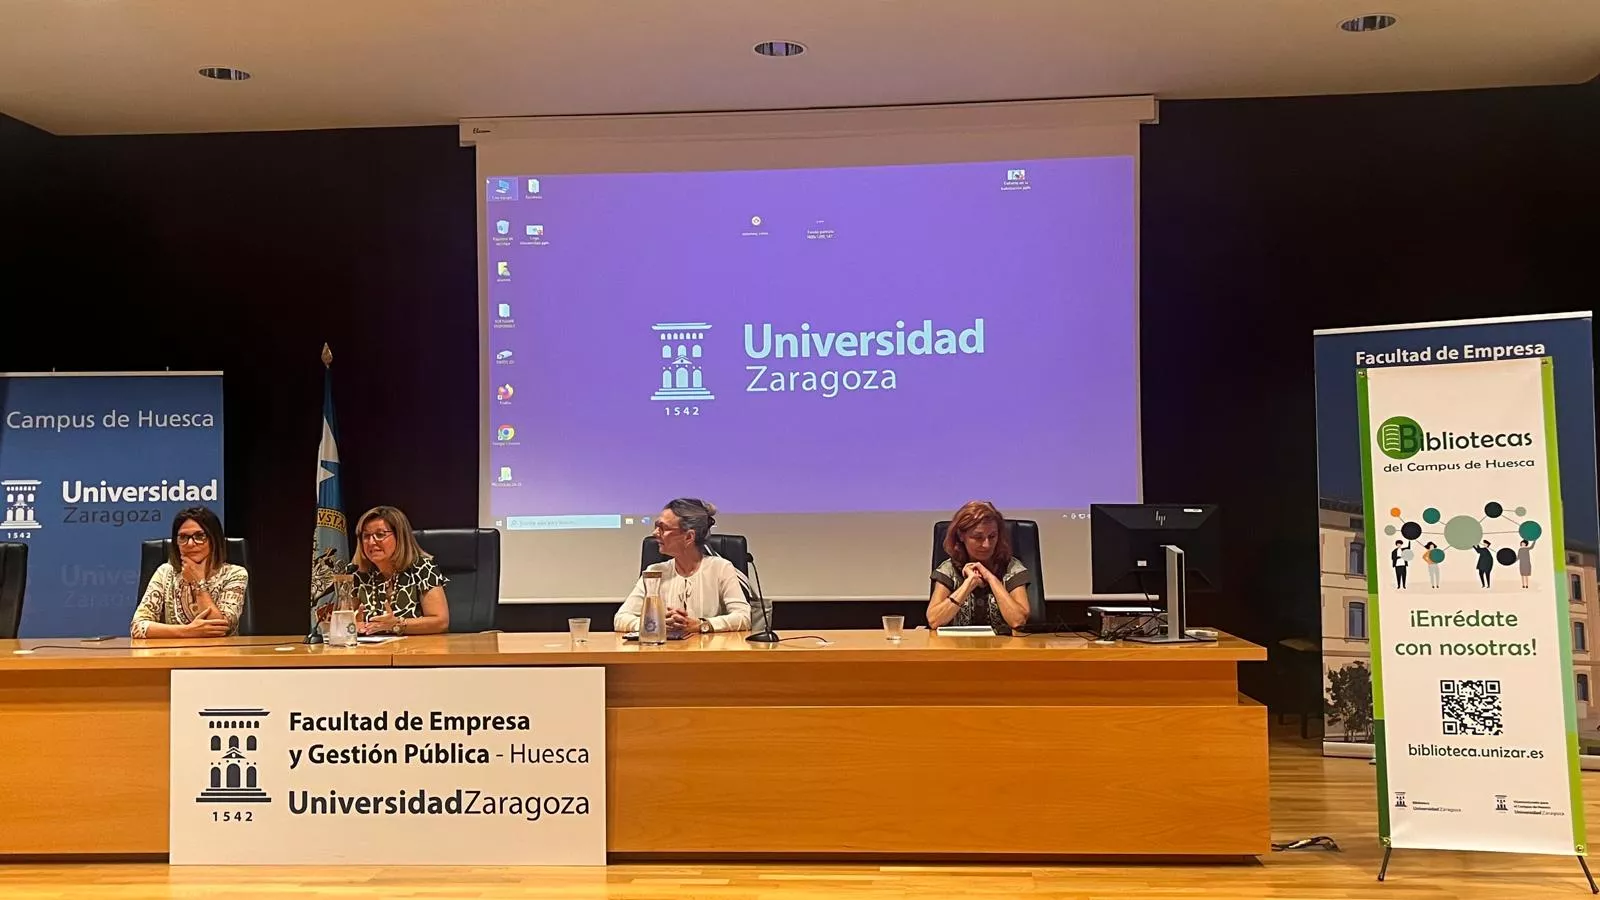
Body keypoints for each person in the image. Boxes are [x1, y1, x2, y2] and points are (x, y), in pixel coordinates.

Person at [614, 498, 750, 635]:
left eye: (663, 528)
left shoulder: (721, 568)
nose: (655, 533)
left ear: (689, 537)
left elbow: (743, 617)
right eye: (656, 526)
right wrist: (657, 623)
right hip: (663, 653)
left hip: (707, 652)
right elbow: (621, 619)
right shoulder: (654, 572)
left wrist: (702, 625)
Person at [130, 507, 248, 639]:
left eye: (199, 536)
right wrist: (188, 631)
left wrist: (198, 582)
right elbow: (138, 626)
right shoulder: (165, 573)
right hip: (174, 656)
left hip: (220, 655)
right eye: (183, 537)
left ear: (214, 539)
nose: (190, 543)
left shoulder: (234, 574)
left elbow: (219, 629)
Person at [927, 500, 1033, 633]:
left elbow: (1018, 621)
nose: (987, 545)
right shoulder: (948, 569)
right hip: (957, 650)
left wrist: (990, 578)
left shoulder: (1012, 568)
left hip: (1003, 650)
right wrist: (969, 584)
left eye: (992, 536)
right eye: (978, 537)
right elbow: (934, 620)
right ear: (961, 536)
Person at [349, 506, 450, 635]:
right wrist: (353, 625)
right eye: (366, 536)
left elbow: (440, 622)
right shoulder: (357, 573)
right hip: (371, 652)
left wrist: (397, 624)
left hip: (417, 650)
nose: (371, 542)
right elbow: (341, 618)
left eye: (380, 535)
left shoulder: (422, 567)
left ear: (400, 536)